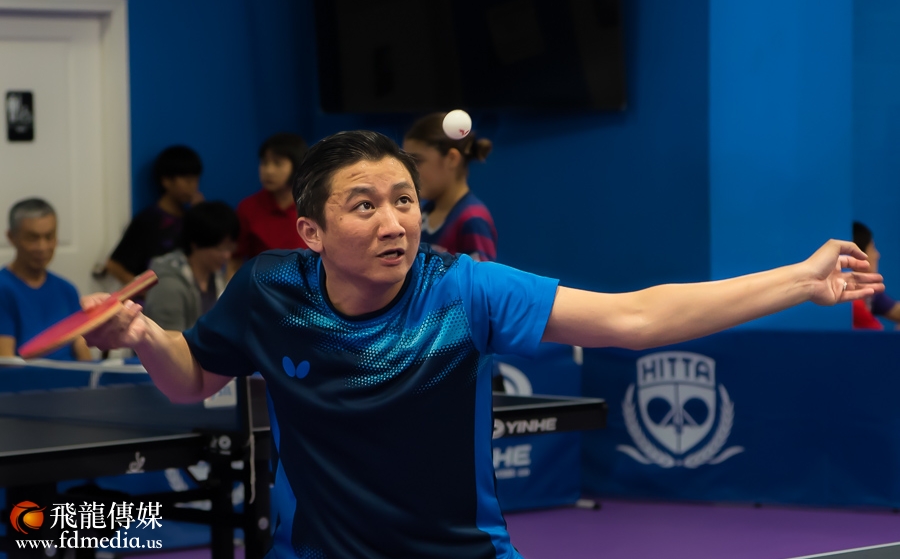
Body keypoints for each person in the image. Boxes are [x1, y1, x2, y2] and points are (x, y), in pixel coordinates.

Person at [84, 130, 883, 559]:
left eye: (405, 198)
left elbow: (637, 317)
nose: (394, 221)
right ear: (311, 231)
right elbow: (191, 379)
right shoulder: (268, 290)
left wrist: (797, 280)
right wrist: (146, 334)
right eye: (363, 205)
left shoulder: (463, 289)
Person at [0, 198, 91, 360]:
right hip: (29, 376)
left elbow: (82, 349)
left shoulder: (67, 290)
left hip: (71, 375)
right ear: (12, 237)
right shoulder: (4, 289)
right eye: (32, 238)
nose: (42, 247)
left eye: (49, 237)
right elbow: (6, 363)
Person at [403, 112, 498, 261]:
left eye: (417, 161)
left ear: (452, 159)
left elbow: (479, 276)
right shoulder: (422, 212)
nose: (410, 172)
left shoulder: (473, 219)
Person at [105, 145, 204, 285]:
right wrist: (146, 291)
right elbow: (114, 265)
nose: (193, 186)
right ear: (166, 181)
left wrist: (201, 216)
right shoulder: (148, 220)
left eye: (196, 180)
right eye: (187, 180)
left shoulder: (193, 218)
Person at [143, 201, 239, 331]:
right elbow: (167, 338)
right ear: (196, 244)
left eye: (230, 247)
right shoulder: (169, 284)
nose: (227, 255)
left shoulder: (216, 278)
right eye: (220, 248)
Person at [229, 133, 308, 277]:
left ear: (297, 166)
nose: (268, 171)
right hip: (262, 286)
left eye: (277, 163)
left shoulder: (312, 205)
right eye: (264, 163)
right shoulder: (248, 208)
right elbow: (235, 260)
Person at [851, 221, 900, 329]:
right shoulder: (853, 303)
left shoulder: (871, 294)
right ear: (857, 255)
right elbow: (878, 338)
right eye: (872, 248)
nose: (877, 255)